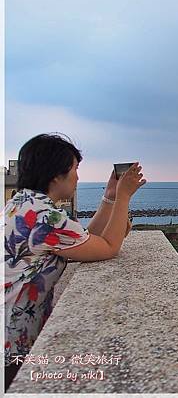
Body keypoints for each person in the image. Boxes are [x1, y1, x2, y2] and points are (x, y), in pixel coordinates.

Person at [3, 133, 146, 391]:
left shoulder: (22, 206)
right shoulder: (45, 218)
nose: (78, 177)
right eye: (75, 169)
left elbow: (86, 239)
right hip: (12, 344)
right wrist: (124, 196)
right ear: (56, 175)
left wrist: (110, 196)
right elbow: (109, 247)